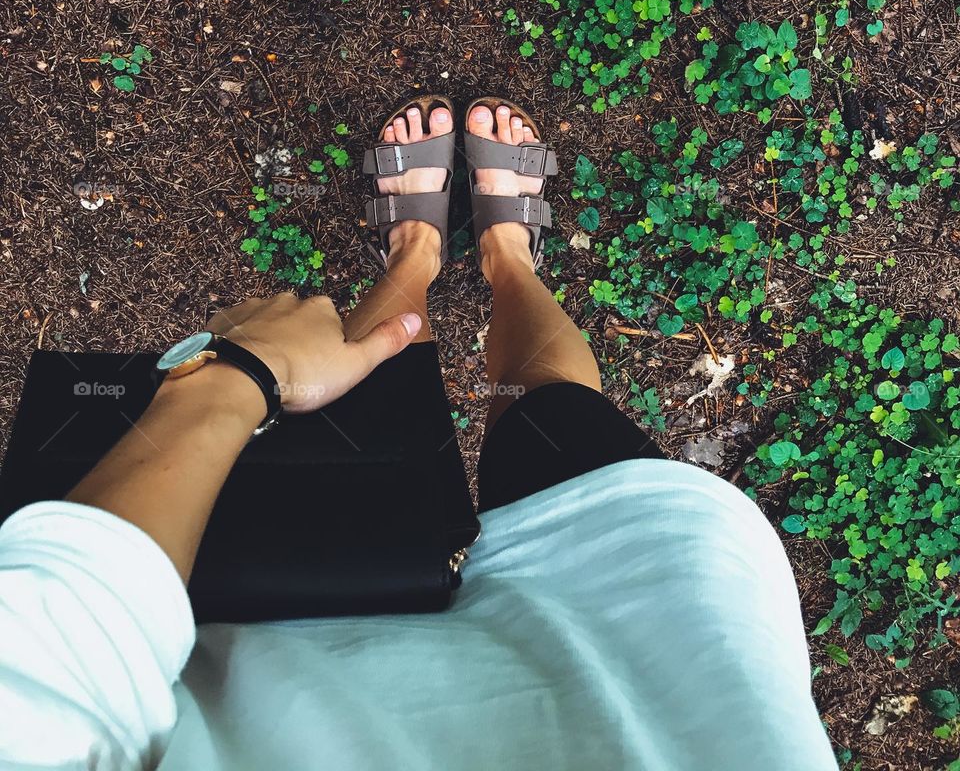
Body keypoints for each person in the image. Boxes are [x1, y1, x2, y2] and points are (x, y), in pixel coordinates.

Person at [0, 98, 839, 770]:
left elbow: (50, 646)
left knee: (384, 394)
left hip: (296, 630)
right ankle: (505, 256)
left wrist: (244, 374)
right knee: (552, 415)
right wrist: (235, 373)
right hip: (662, 700)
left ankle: (417, 253)